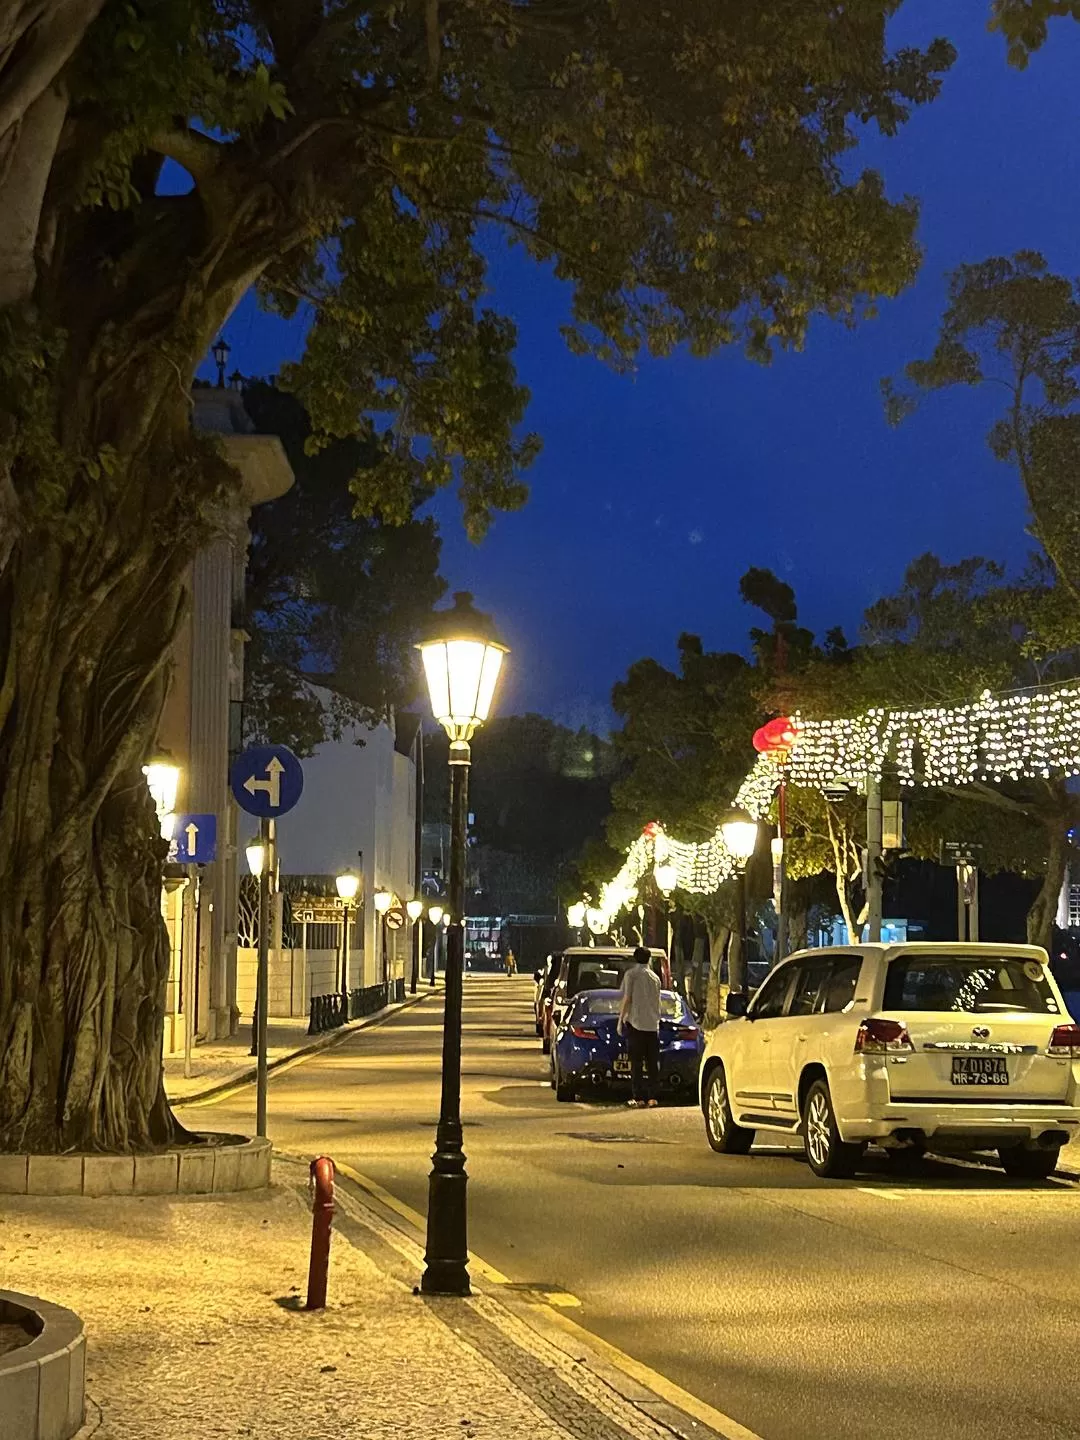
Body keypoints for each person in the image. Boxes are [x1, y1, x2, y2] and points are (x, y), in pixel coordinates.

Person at [618, 946, 661, 1108]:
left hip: (636, 1024)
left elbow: (627, 998)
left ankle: (639, 1097)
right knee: (652, 1063)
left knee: (636, 1063)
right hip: (652, 1025)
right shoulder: (655, 978)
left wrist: (620, 1019)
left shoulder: (632, 975)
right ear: (649, 959)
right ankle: (653, 1097)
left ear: (635, 958)